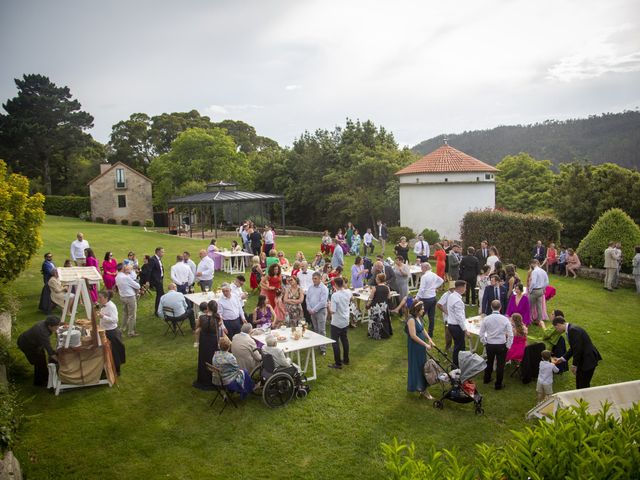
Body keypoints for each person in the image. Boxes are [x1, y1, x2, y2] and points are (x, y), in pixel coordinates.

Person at [553, 317, 602, 389]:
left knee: (583, 385)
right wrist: (562, 359)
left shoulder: (573, 330)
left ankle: (583, 399)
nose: (557, 330)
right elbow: (574, 347)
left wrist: (574, 365)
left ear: (559, 325)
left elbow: (577, 349)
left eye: (556, 328)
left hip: (588, 360)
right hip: (583, 359)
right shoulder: (570, 329)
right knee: (579, 383)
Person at [17, 316, 60, 386]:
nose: (57, 329)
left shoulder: (46, 323)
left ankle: (46, 376)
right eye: (55, 327)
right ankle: (39, 382)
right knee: (39, 362)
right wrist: (60, 362)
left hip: (34, 342)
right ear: (49, 326)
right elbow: (50, 351)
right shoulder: (42, 332)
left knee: (42, 358)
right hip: (27, 344)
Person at [480, 300, 513, 390]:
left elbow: (481, 333)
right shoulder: (505, 319)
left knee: (489, 362)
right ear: (500, 307)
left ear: (491, 307)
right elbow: (510, 334)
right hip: (501, 345)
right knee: (500, 365)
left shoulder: (486, 319)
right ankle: (498, 384)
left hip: (490, 344)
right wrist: (508, 345)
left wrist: (484, 342)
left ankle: (486, 379)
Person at [405, 301, 435, 399]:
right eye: (422, 309)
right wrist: (426, 345)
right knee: (417, 366)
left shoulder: (419, 317)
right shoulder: (411, 319)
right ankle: (422, 389)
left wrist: (430, 339)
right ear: (417, 309)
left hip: (421, 345)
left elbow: (423, 329)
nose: (423, 310)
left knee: (423, 365)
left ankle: (422, 387)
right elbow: (413, 336)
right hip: (415, 346)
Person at [97, 290, 126, 375]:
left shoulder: (111, 306)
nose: (99, 299)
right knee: (107, 351)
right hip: (105, 330)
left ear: (106, 298)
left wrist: (103, 316)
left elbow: (115, 320)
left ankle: (117, 371)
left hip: (112, 332)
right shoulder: (103, 305)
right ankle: (108, 367)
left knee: (115, 352)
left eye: (100, 297)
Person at [328, 277, 352, 369]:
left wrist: (329, 305)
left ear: (335, 285)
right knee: (344, 340)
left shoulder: (335, 295)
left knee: (335, 342)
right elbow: (351, 297)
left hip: (337, 321)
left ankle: (338, 363)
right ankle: (346, 359)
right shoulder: (348, 292)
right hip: (345, 320)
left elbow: (333, 311)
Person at [416, 262, 444, 338]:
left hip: (425, 298)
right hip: (433, 298)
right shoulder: (434, 274)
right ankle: (430, 333)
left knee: (419, 316)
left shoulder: (424, 277)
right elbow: (441, 280)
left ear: (425, 268)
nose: (421, 269)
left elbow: (421, 289)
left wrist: (416, 299)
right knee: (431, 317)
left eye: (422, 267)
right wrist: (434, 287)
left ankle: (420, 332)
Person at [446, 280, 470, 367]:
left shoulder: (452, 296)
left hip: (451, 324)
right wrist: (465, 330)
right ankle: (456, 365)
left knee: (458, 346)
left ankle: (459, 363)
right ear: (460, 288)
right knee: (459, 347)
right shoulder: (458, 301)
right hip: (457, 326)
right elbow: (459, 317)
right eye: (465, 287)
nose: (466, 289)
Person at [306, 272, 329, 355]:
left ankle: (323, 348)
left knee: (321, 330)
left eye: (315, 278)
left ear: (319, 279)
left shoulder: (324, 288)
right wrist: (309, 308)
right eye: (313, 278)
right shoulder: (310, 287)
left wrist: (314, 309)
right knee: (315, 329)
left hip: (321, 311)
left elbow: (323, 302)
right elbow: (307, 299)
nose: (313, 280)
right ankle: (317, 344)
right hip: (312, 311)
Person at [116, 264, 141, 337]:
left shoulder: (117, 277)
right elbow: (137, 286)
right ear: (122, 269)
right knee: (132, 315)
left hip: (122, 296)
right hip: (130, 297)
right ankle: (131, 332)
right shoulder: (125, 277)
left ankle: (122, 328)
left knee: (125, 313)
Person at [367, 273, 393, 339]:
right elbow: (389, 297)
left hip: (376, 307)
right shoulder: (387, 287)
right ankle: (385, 333)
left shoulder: (375, 288)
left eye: (376, 278)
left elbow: (371, 298)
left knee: (375, 320)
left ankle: (375, 333)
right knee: (384, 321)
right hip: (384, 307)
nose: (375, 279)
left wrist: (367, 305)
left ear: (378, 280)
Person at [436, 281, 456, 354]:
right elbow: (438, 304)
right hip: (448, 318)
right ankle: (448, 348)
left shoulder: (455, 295)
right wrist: (446, 312)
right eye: (455, 288)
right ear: (451, 288)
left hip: (454, 317)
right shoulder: (446, 295)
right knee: (448, 333)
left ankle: (454, 346)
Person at [528, 259, 549, 323]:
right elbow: (547, 282)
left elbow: (533, 282)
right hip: (541, 290)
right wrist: (543, 288)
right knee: (539, 306)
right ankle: (539, 320)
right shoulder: (543, 271)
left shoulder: (534, 271)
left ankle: (529, 320)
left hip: (535, 290)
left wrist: (530, 289)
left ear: (533, 264)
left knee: (530, 306)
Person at [149, 247, 165, 316]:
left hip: (160, 279)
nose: (163, 253)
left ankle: (159, 310)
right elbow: (149, 271)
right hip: (157, 281)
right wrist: (148, 281)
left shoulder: (158, 259)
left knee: (161, 295)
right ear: (158, 252)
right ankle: (157, 311)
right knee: (160, 295)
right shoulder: (153, 259)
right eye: (162, 252)